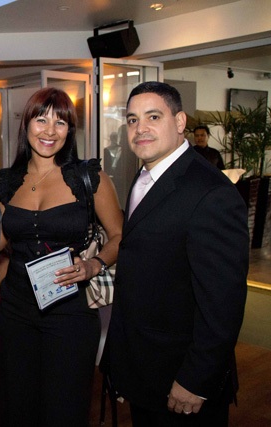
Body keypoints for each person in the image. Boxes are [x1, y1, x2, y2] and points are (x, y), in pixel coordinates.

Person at [105, 82, 249, 426]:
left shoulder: (211, 192)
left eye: (153, 117)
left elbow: (223, 302)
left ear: (180, 121)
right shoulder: (146, 176)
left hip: (182, 378)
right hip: (146, 369)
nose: (141, 128)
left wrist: (196, 380)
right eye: (132, 120)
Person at [0, 87, 123, 426]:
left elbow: (119, 236)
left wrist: (94, 264)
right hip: (16, 312)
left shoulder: (88, 178)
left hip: (71, 312)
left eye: (60, 123)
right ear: (26, 124)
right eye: (41, 120)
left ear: (69, 131)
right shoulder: (6, 182)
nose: (50, 131)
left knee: (64, 410)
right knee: (17, 408)